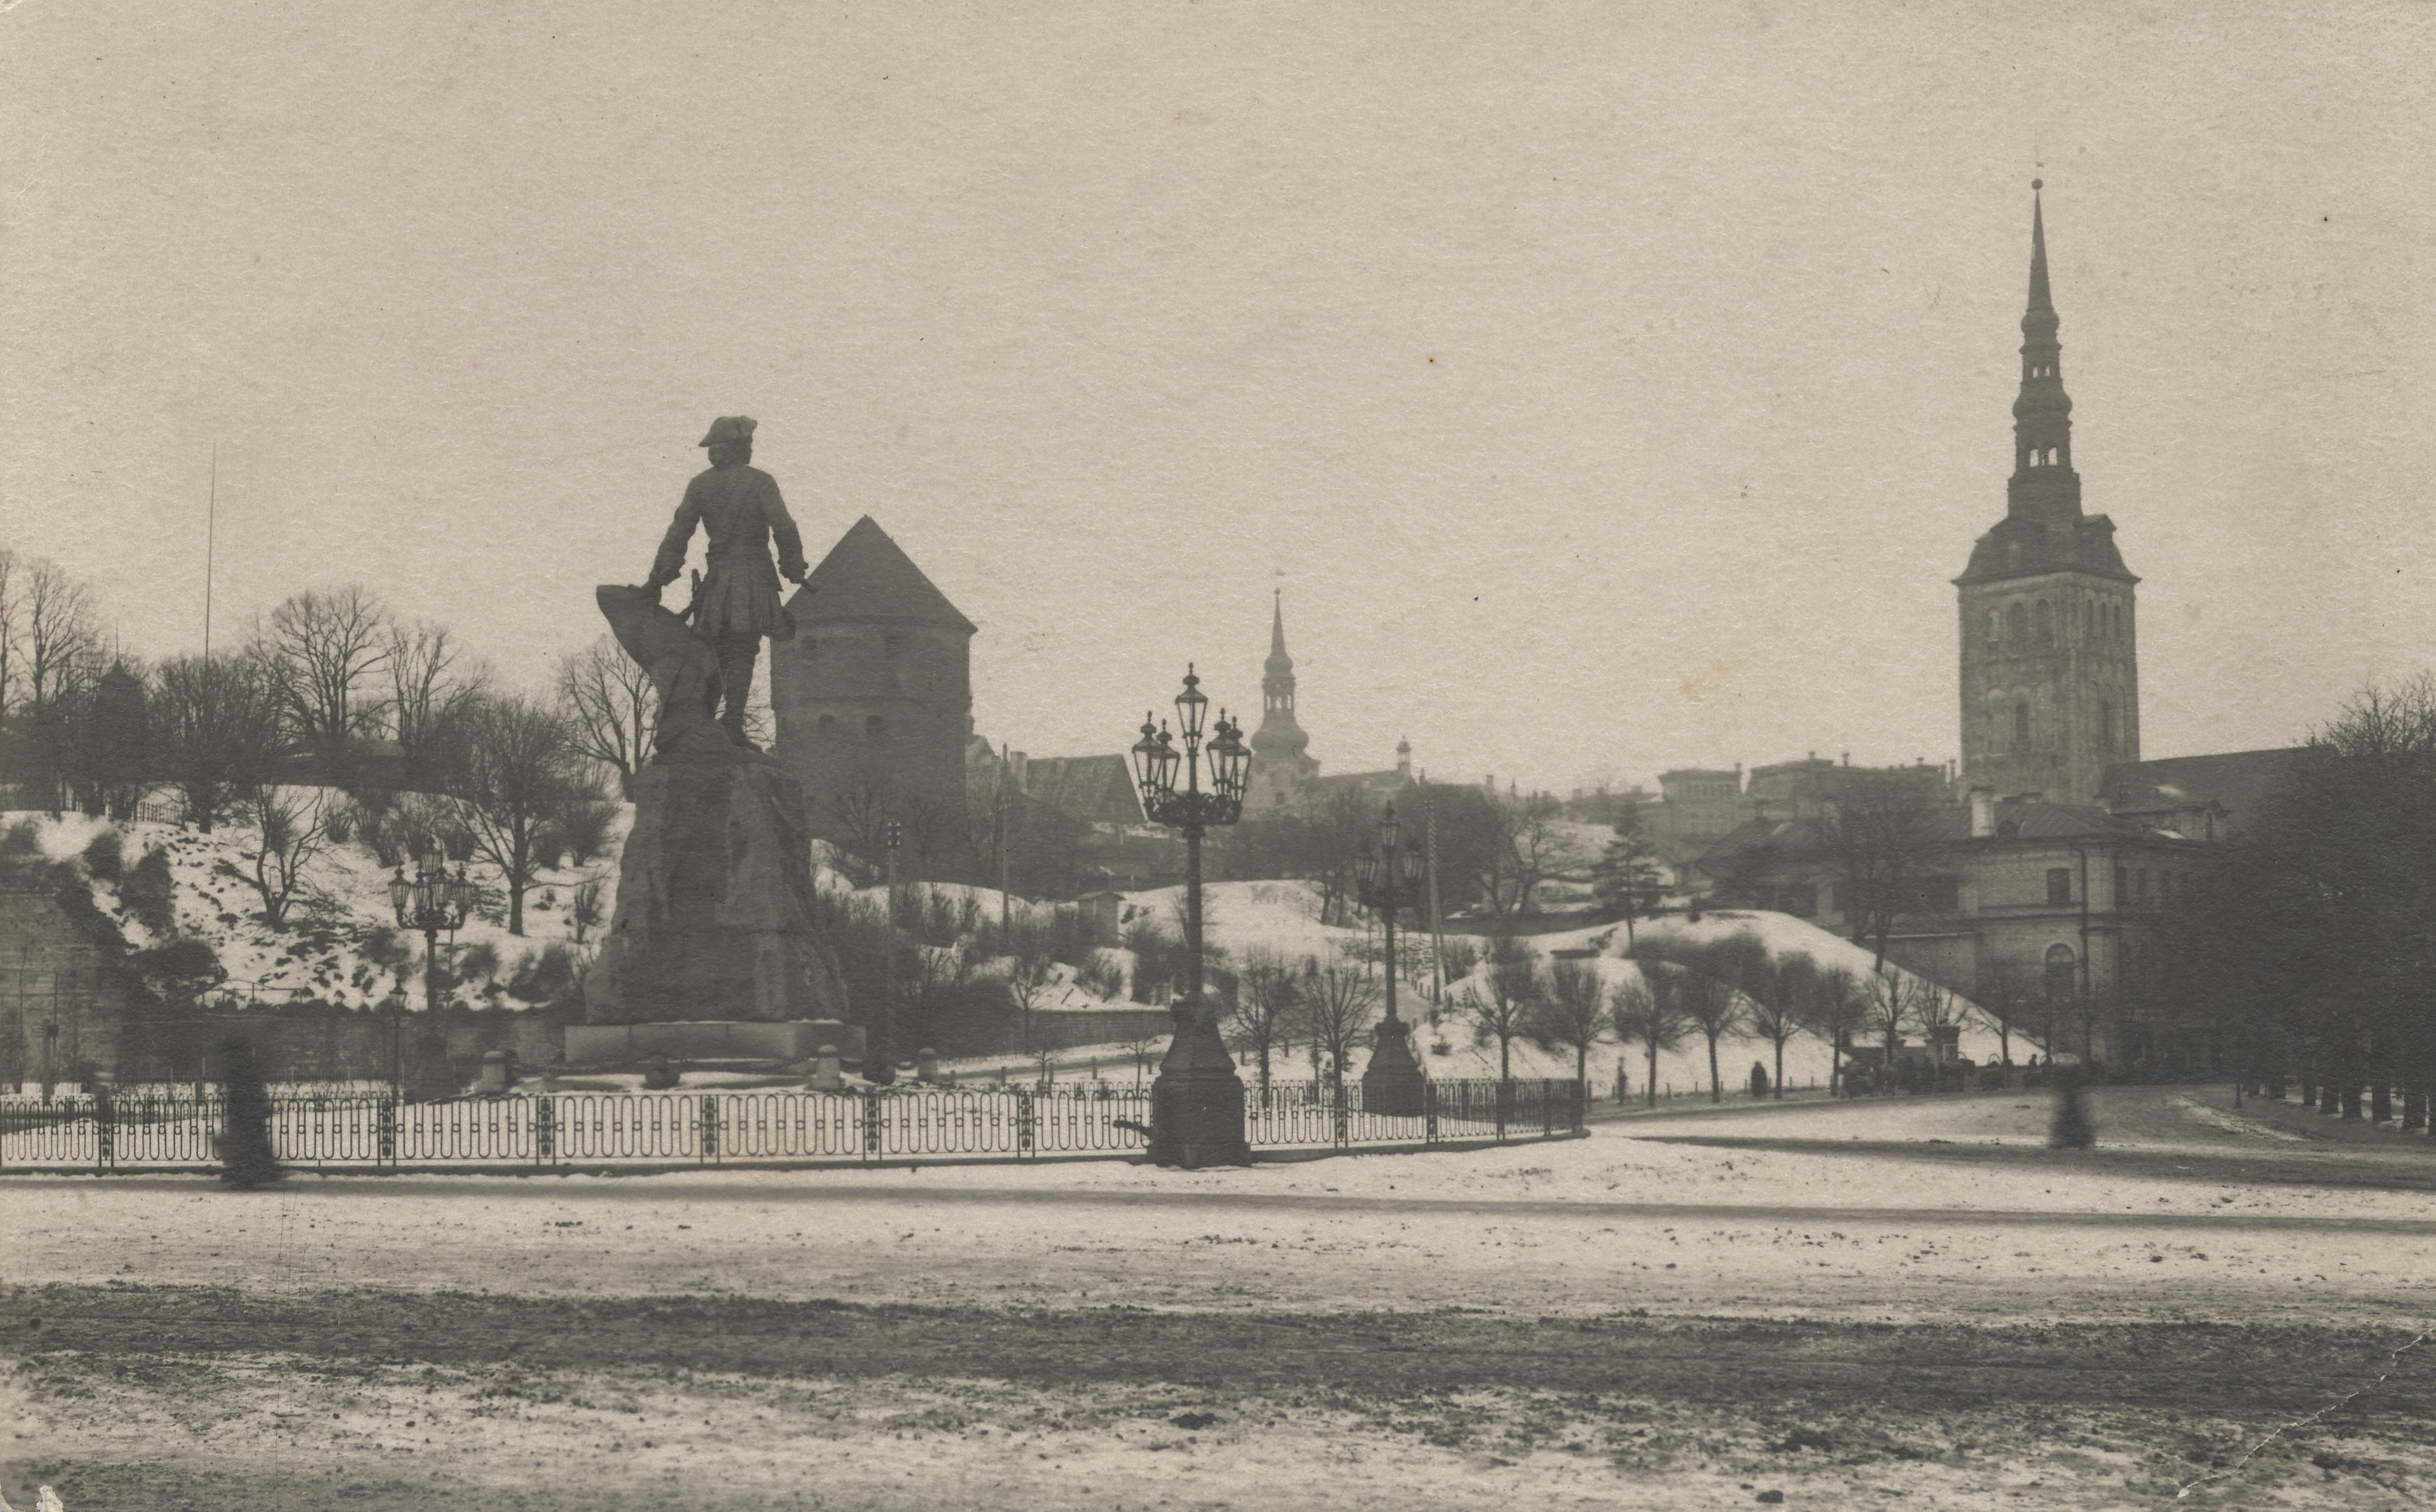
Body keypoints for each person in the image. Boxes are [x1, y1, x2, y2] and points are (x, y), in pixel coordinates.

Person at [646, 416, 810, 744]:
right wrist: (793, 566)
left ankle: (706, 720)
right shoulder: (761, 482)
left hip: (719, 578)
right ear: (744, 448)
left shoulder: (700, 485)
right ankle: (732, 721)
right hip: (751, 574)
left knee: (717, 646)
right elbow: (784, 526)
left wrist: (659, 577)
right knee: (744, 649)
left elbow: (679, 532)